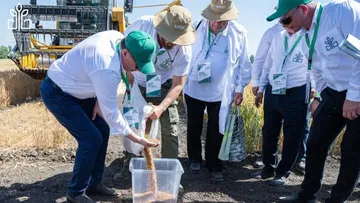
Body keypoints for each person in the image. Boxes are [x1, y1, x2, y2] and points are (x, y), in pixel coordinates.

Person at [40, 30, 159, 203]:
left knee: (102, 130)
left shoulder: (119, 39)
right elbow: (112, 114)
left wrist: (98, 99)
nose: (138, 69)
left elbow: (94, 72)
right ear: (125, 53)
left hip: (81, 89)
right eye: (138, 64)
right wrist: (139, 140)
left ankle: (94, 184)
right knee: (91, 139)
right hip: (58, 92)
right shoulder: (107, 66)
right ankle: (75, 193)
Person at [266, 0, 360, 202]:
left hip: (357, 90)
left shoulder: (341, 11)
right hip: (333, 92)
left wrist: (354, 96)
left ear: (303, 9)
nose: (283, 23)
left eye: (286, 18)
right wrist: (321, 95)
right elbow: (316, 66)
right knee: (315, 142)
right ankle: (307, 195)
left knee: (351, 150)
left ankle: (337, 199)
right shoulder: (306, 32)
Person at [113, 5, 195, 182]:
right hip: (136, 77)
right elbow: (122, 48)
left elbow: (178, 84)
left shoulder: (185, 50)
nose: (173, 42)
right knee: (133, 120)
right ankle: (130, 164)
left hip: (161, 82)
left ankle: (169, 175)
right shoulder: (142, 25)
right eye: (170, 37)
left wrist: (161, 107)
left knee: (170, 126)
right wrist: (129, 80)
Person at [183, 0, 252, 182]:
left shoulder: (239, 33)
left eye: (222, 21)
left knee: (216, 128)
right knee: (194, 125)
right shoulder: (195, 27)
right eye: (214, 19)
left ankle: (214, 164)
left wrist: (239, 88)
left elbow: (244, 64)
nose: (216, 23)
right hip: (194, 88)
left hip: (221, 91)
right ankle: (195, 158)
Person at [252, 23, 315, 186]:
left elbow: (316, 64)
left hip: (297, 90)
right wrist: (261, 89)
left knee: (292, 134)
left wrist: (314, 87)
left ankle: (282, 172)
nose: (284, 22)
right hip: (274, 89)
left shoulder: (309, 37)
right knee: (269, 131)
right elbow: (268, 65)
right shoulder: (278, 37)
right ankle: (268, 168)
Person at [251, 22, 283, 169]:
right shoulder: (273, 33)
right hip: (274, 84)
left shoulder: (308, 32)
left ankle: (298, 160)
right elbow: (262, 59)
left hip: (299, 87)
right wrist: (259, 84)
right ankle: (268, 161)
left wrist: (314, 86)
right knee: (270, 126)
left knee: (298, 129)